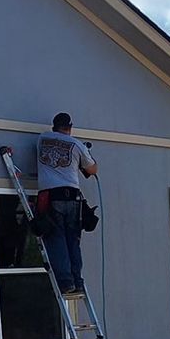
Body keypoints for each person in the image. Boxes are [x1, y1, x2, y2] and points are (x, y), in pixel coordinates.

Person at [35, 112, 97, 296]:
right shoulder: (77, 145)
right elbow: (92, 169)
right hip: (72, 197)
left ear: (54, 127)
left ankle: (65, 282)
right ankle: (76, 281)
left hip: (51, 195)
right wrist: (85, 158)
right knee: (72, 240)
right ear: (70, 127)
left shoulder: (42, 138)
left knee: (56, 237)